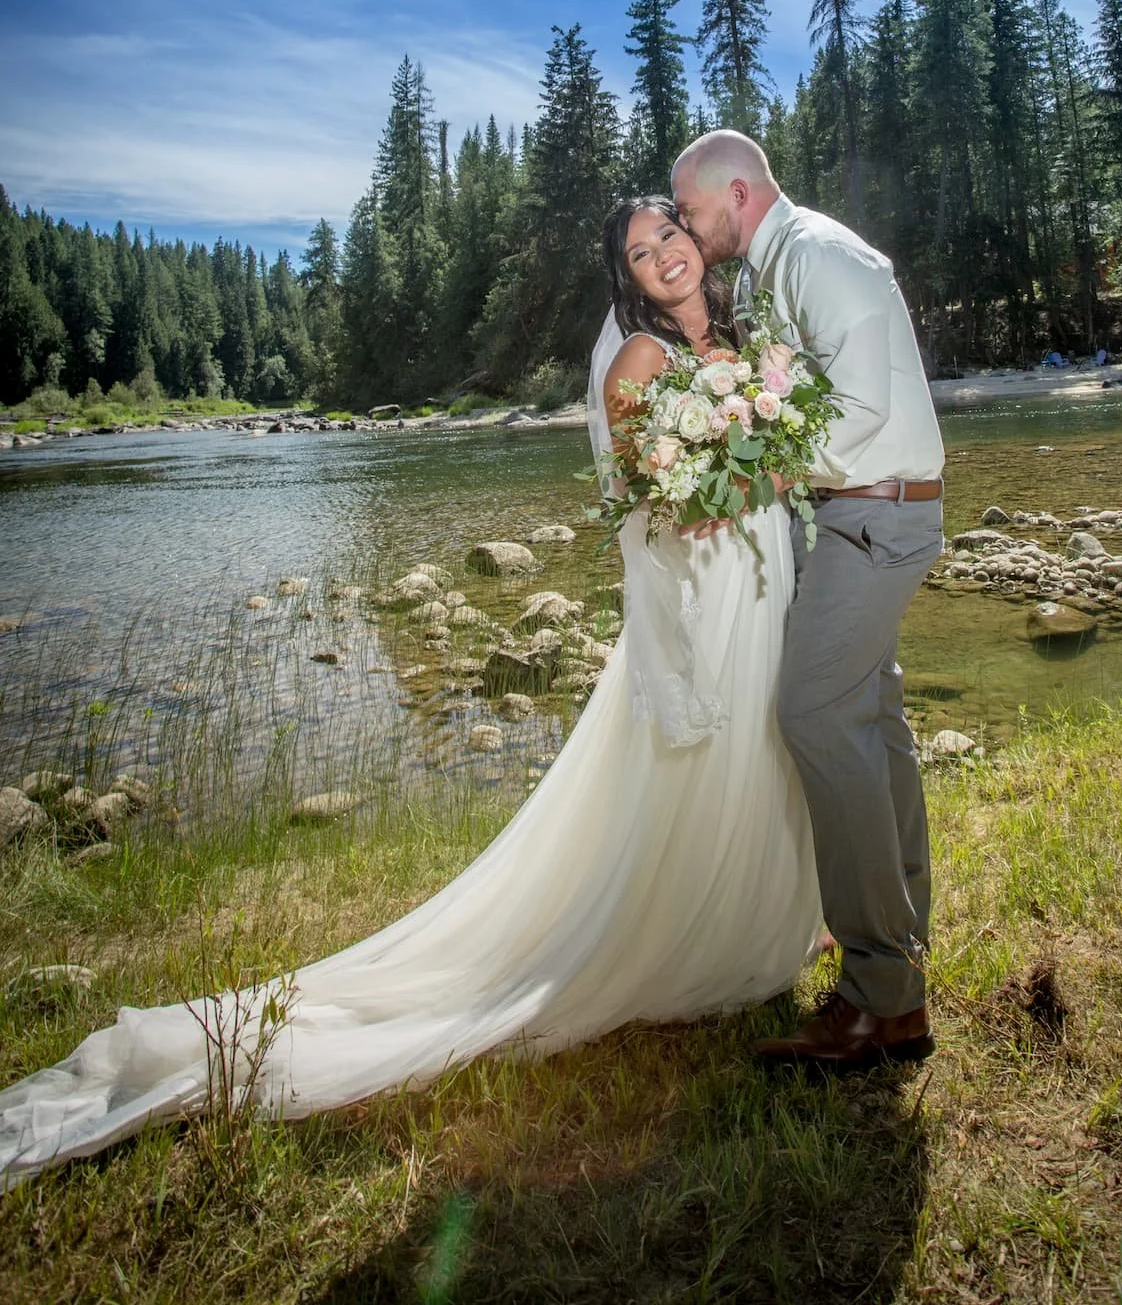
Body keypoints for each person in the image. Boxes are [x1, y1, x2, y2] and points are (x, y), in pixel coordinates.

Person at [0, 196, 820, 1190]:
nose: (664, 259)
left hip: (755, 572)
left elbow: (767, 438)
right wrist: (744, 482)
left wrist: (768, 446)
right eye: (642, 255)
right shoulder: (637, 362)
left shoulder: (739, 329)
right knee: (708, 752)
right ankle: (695, 935)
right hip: (705, 590)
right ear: (629, 280)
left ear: (696, 240)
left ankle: (762, 908)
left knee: (760, 742)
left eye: (670, 238)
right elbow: (656, 495)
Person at [672, 131, 945, 1070]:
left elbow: (859, 407)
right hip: (856, 518)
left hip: (878, 521)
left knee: (813, 716)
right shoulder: (771, 266)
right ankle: (898, 939)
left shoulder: (822, 256)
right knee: (871, 715)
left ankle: (881, 1001)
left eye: (694, 212)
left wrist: (751, 480)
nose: (687, 228)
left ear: (737, 193)